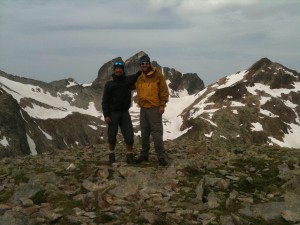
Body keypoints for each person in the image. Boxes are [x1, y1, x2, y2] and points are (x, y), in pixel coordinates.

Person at [102, 61, 140, 164]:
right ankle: (111, 155)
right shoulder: (109, 84)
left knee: (129, 135)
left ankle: (129, 155)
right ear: (114, 70)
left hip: (124, 112)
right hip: (113, 113)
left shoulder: (127, 80)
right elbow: (105, 100)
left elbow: (137, 76)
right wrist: (106, 115)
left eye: (120, 68)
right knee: (111, 135)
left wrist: (144, 69)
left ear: (123, 70)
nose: (118, 70)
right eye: (116, 68)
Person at [135, 54, 169, 166]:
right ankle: (144, 155)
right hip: (143, 109)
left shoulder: (157, 74)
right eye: (142, 64)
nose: (144, 65)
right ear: (140, 65)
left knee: (156, 134)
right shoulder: (139, 76)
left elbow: (164, 90)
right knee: (144, 133)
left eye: (146, 63)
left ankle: (161, 157)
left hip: (155, 108)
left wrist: (162, 105)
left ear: (149, 64)